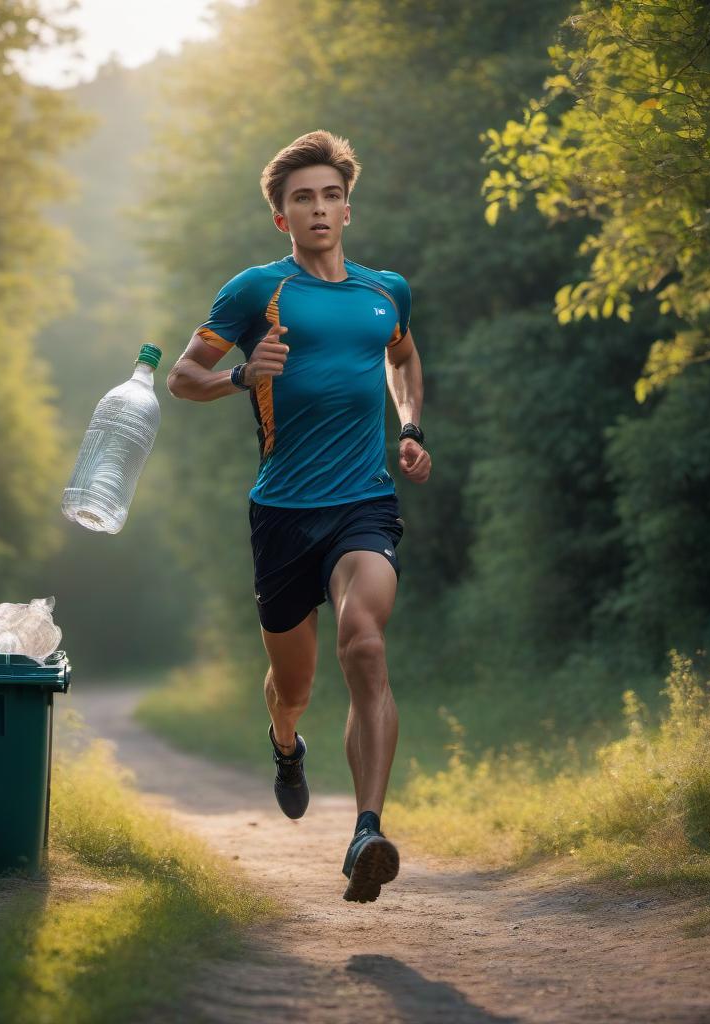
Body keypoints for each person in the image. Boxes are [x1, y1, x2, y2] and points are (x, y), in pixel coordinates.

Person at [166, 130, 430, 903]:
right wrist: (242, 375)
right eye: (302, 199)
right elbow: (184, 376)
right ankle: (286, 744)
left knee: (366, 643)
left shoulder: (386, 291)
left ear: (348, 206)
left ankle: (366, 832)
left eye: (330, 195)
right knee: (294, 686)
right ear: (282, 217)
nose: (319, 209)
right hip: (282, 513)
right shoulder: (256, 289)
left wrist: (409, 425)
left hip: (363, 503)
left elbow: (402, 356)